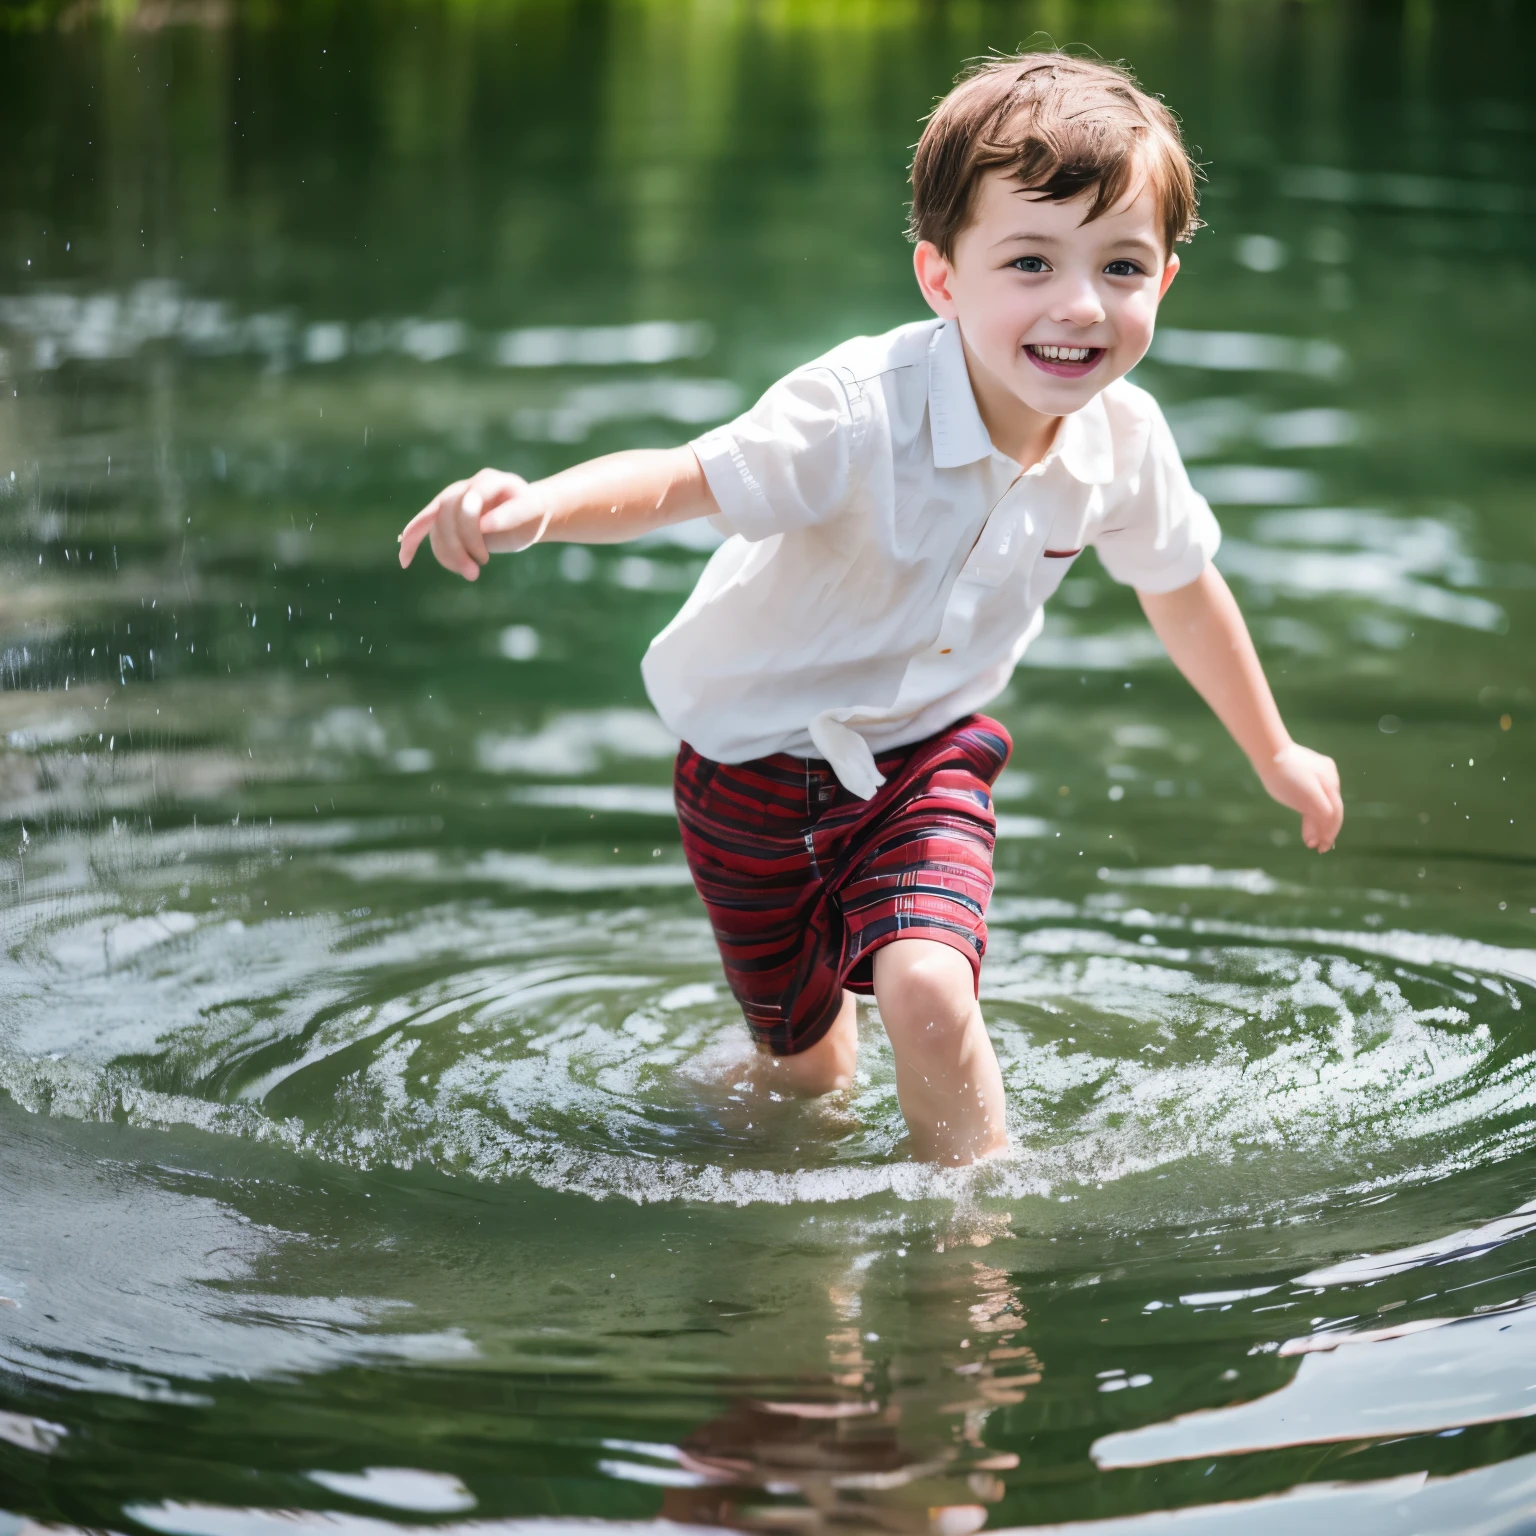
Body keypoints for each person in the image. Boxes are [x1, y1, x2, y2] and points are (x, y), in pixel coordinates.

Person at [397, 52, 1344, 1168]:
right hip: (741, 766)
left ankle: (971, 1260)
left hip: (921, 758)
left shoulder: (1124, 444)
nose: (1080, 306)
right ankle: (760, 1161)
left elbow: (1180, 586)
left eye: (1122, 266)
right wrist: (538, 506)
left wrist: (1273, 747)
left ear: (1165, 284)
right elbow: (685, 479)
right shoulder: (850, 414)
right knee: (807, 1080)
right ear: (941, 279)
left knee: (931, 989)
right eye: (1031, 262)